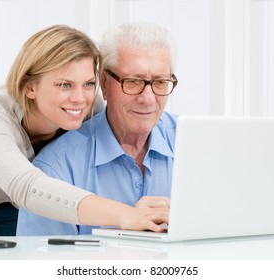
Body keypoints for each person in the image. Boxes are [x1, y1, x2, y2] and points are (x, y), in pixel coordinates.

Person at [0, 24, 169, 236]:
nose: (79, 98)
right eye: (64, 85)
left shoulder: (89, 107)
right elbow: (26, 186)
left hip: (9, 205)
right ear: (29, 87)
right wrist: (126, 215)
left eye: (88, 84)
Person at [17, 22, 178, 235]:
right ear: (104, 82)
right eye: (132, 82)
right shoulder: (56, 167)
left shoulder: (195, 143)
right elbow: (43, 261)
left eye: (160, 82)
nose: (148, 99)